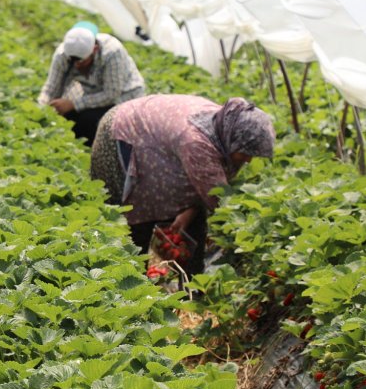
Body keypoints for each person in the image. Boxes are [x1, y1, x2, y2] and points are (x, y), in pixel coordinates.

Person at [89, 95, 275, 275]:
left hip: (151, 134)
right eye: (245, 153)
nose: (249, 160)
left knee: (187, 218)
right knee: (132, 221)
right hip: (120, 133)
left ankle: (188, 282)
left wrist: (190, 211)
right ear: (232, 139)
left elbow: (207, 187)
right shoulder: (197, 142)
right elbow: (219, 199)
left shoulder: (225, 124)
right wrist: (252, 238)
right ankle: (129, 279)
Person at [38, 21, 146, 147]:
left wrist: (73, 104)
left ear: (94, 50)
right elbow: (51, 88)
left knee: (90, 122)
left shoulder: (112, 52)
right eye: (72, 61)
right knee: (69, 118)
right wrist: (41, 109)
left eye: (81, 61)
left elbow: (111, 94)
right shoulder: (63, 54)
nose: (76, 65)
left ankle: (95, 150)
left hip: (125, 96)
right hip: (92, 94)